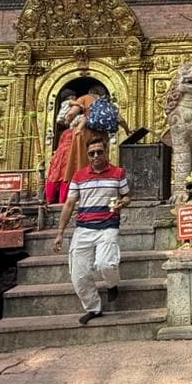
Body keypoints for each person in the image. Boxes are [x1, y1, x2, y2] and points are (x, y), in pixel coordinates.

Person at [54, 135, 132, 325]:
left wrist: (123, 203)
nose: (96, 156)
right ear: (87, 156)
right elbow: (69, 204)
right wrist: (60, 233)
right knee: (78, 275)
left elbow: (127, 196)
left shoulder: (118, 173)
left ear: (106, 152)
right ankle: (93, 308)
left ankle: (112, 284)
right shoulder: (79, 176)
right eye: (92, 153)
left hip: (108, 226)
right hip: (84, 228)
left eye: (99, 152)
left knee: (106, 264)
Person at [44, 89, 78, 205]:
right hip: (68, 154)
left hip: (60, 154)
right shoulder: (72, 130)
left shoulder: (64, 133)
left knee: (55, 175)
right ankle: (63, 199)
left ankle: (51, 199)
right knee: (66, 175)